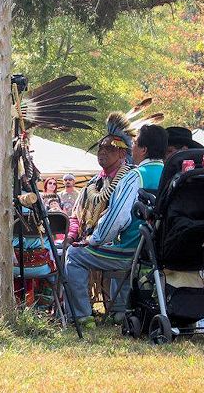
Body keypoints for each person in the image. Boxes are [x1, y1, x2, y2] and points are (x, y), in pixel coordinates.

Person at [66, 124, 167, 328]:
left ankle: (82, 317)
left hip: (133, 252)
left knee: (74, 255)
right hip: (162, 251)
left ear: (144, 149)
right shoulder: (171, 174)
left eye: (135, 143)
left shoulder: (134, 176)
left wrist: (93, 240)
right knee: (113, 245)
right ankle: (120, 311)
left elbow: (117, 219)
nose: (133, 148)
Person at [70, 113, 137, 242]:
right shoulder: (92, 183)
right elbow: (75, 216)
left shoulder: (129, 180)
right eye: (100, 147)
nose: (102, 151)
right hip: (83, 243)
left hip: (110, 246)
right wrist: (71, 236)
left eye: (110, 148)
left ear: (122, 153)